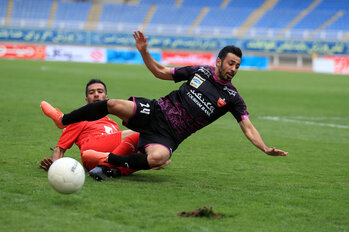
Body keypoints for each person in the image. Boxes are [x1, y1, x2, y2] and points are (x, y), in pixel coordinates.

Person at [41, 30, 288, 176]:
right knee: (114, 104)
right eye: (230, 63)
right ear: (219, 61)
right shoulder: (198, 71)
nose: (234, 69)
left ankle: (109, 165)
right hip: (156, 111)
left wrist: (264, 148)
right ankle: (63, 120)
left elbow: (248, 127)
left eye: (237, 65)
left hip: (171, 135)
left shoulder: (233, 98)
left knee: (157, 158)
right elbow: (160, 72)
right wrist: (144, 51)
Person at [40, 79, 141, 180]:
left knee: (149, 152)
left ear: (106, 98)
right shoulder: (80, 118)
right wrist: (55, 168)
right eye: (91, 93)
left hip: (107, 158)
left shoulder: (113, 123)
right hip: (91, 151)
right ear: (87, 100)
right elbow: (60, 148)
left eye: (100, 92)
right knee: (143, 135)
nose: (96, 94)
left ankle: (114, 171)